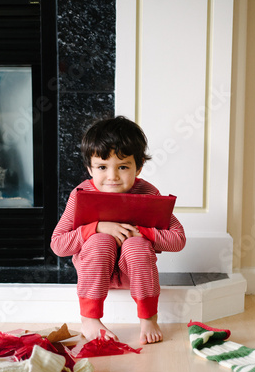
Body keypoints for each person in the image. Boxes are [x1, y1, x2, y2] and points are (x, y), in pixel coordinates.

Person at [50, 116, 186, 344]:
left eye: (123, 167)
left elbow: (178, 239)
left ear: (139, 166)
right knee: (99, 240)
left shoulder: (147, 192)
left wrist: (144, 233)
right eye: (102, 167)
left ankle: (149, 318)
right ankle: (90, 319)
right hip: (94, 270)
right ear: (89, 168)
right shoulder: (80, 194)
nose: (112, 176)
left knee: (136, 244)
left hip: (134, 274)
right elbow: (58, 244)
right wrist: (95, 228)